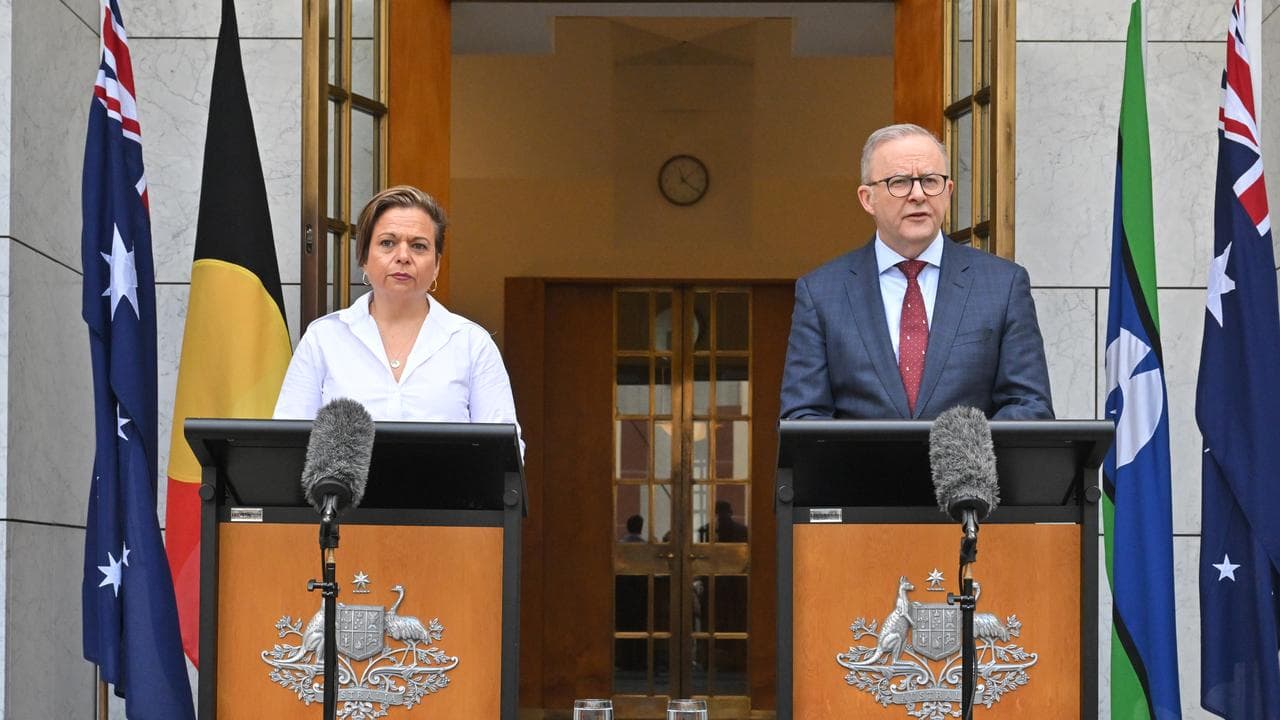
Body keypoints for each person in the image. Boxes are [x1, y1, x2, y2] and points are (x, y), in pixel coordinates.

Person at [781, 123, 1053, 420]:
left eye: (930, 180)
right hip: (861, 467)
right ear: (867, 198)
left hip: (968, 466)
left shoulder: (1003, 285)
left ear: (948, 191)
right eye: (899, 182)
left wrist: (958, 454)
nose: (918, 195)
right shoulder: (821, 293)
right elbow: (803, 418)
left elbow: (1029, 407)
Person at [274, 185, 522, 450]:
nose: (403, 257)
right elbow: (287, 444)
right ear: (364, 258)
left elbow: (504, 452)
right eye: (387, 243)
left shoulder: (472, 344)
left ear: (437, 264)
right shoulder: (324, 338)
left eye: (418, 246)